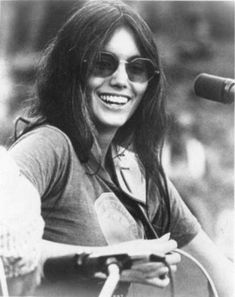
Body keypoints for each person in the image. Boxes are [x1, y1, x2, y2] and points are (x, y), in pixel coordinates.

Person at [1, 0, 233, 296]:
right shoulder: (51, 146)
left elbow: (218, 270)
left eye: (137, 69)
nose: (121, 80)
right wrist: (100, 261)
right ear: (72, 70)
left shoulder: (141, 171)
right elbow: (5, 242)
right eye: (102, 63)